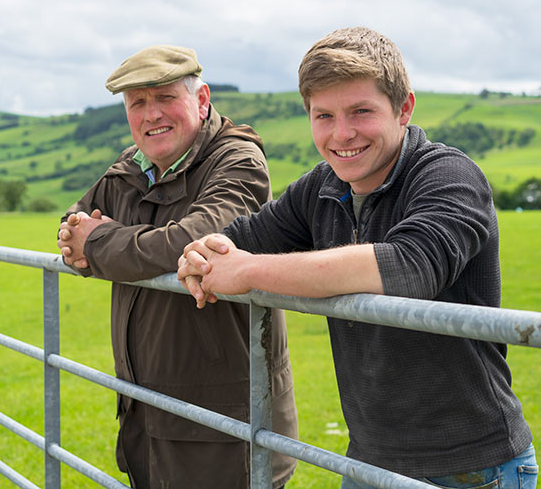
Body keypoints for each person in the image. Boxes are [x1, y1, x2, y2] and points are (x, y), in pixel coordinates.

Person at [178, 27, 537, 488]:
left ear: (403, 108)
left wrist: (245, 270)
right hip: (368, 462)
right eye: (323, 115)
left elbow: (409, 267)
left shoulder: (448, 174)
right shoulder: (321, 187)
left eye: (361, 111)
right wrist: (204, 252)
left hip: (472, 468)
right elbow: (242, 235)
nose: (341, 134)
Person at [56, 45, 298, 488]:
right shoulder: (131, 167)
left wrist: (103, 245)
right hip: (144, 412)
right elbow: (72, 229)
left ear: (201, 99)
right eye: (137, 103)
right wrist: (92, 244)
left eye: (165, 98)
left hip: (227, 423)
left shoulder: (238, 161)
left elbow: (196, 241)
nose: (151, 115)